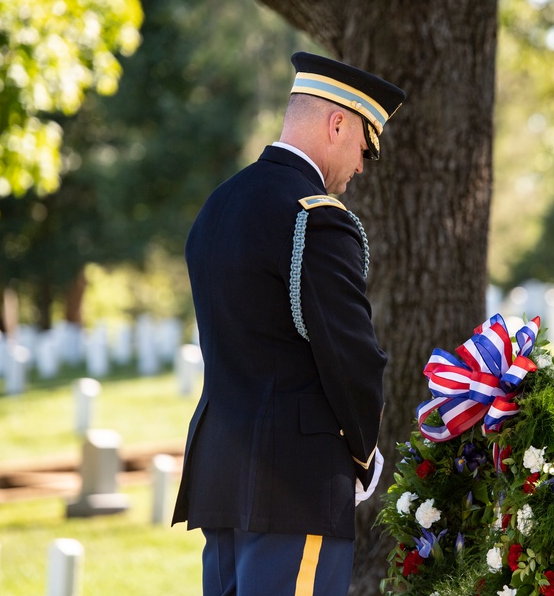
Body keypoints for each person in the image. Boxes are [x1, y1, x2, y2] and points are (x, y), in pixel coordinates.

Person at [172, 51, 406, 596]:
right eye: (364, 147)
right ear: (338, 122)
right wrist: (363, 453)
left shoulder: (218, 206)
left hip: (223, 475)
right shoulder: (316, 217)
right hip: (295, 480)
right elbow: (351, 358)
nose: (362, 165)